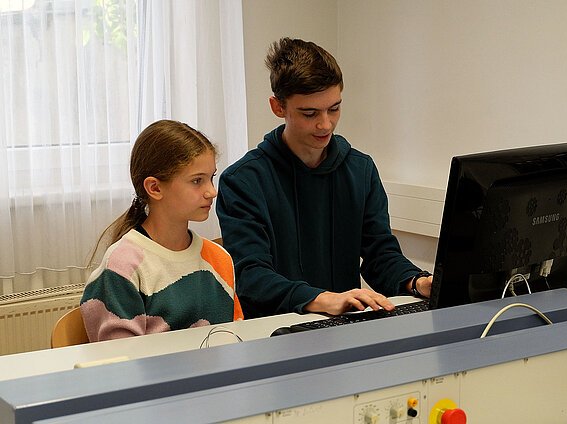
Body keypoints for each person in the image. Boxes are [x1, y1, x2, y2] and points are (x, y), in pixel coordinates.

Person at [216, 37, 433, 319]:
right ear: (278, 107)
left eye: (334, 108)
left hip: (343, 323)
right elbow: (251, 276)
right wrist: (321, 299)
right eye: (310, 113)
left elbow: (380, 255)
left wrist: (417, 282)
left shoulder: (360, 170)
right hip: (273, 329)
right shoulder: (243, 181)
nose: (325, 124)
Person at [81, 120, 243, 342]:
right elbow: (122, 358)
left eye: (211, 178)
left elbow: (235, 340)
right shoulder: (122, 267)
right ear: (155, 188)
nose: (212, 192)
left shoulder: (219, 259)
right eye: (197, 181)